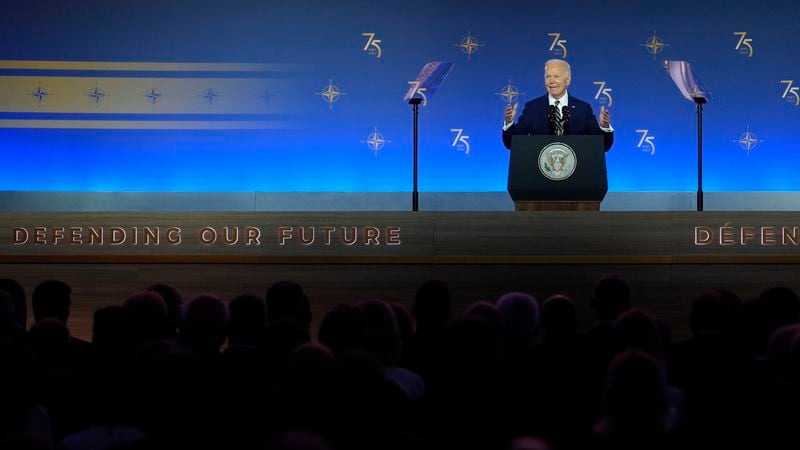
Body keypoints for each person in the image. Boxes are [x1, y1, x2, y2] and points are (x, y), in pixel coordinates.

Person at [502, 59, 614, 151]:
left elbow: (602, 146)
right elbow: (512, 144)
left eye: (556, 76)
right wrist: (509, 123)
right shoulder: (532, 108)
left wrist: (604, 127)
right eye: (547, 76)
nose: (551, 81)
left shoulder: (583, 109)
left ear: (568, 80)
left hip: (576, 174)